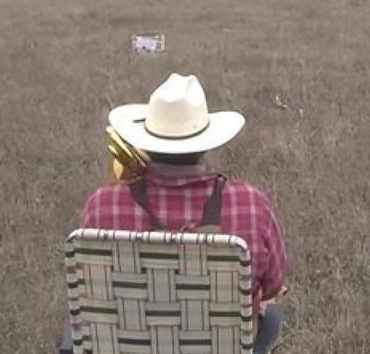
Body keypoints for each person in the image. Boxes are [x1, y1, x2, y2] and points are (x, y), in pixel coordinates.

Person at [59, 73, 289, 354]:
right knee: (272, 313)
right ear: (205, 142)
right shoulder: (251, 204)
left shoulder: (102, 205)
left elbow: (88, 291)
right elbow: (273, 285)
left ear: (147, 141)